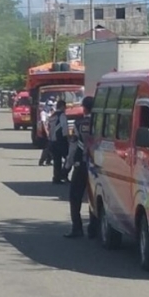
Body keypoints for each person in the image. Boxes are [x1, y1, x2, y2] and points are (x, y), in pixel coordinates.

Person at [63, 96, 94, 238]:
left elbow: (73, 146)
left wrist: (67, 165)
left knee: (75, 197)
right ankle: (94, 228)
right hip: (98, 164)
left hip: (81, 164)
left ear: (84, 108)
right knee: (96, 197)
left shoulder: (79, 123)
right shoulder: (102, 122)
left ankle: (77, 228)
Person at [49, 99, 69, 184]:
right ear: (62, 106)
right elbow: (64, 128)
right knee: (69, 158)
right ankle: (64, 175)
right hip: (61, 141)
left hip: (52, 141)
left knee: (57, 160)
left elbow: (49, 128)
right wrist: (68, 138)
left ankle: (56, 178)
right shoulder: (62, 115)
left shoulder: (52, 116)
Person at [38, 100, 54, 166]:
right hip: (45, 131)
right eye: (49, 105)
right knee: (47, 147)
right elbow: (43, 123)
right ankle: (41, 161)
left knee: (51, 146)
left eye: (51, 106)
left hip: (50, 130)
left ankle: (48, 161)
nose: (50, 107)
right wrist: (47, 132)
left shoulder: (50, 112)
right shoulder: (43, 113)